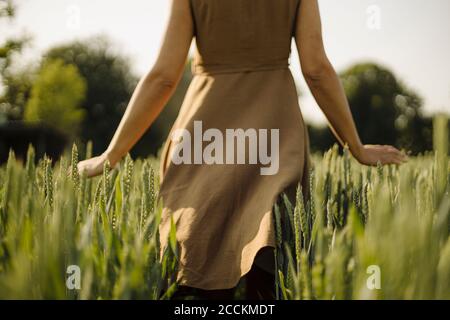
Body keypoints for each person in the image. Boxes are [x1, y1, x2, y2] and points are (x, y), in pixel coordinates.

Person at [77, 0, 408, 300]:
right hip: (273, 128)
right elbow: (316, 70)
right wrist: (357, 148)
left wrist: (112, 154)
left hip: (205, 130)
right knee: (267, 250)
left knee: (192, 244)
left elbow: (163, 77)